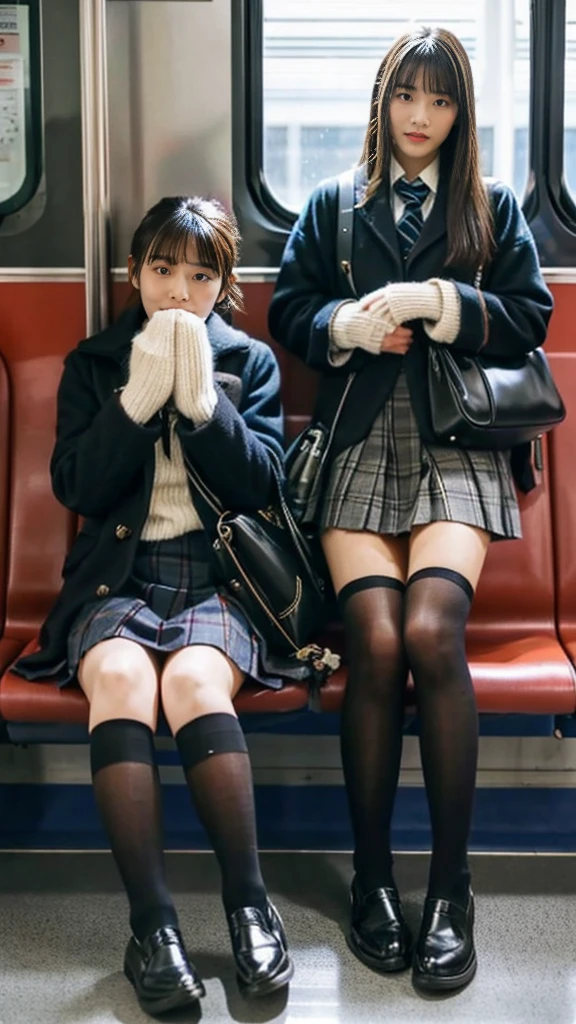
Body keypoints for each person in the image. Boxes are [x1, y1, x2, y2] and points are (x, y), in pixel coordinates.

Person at [269, 25, 553, 993]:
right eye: (406, 98)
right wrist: (341, 324)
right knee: (377, 641)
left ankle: (452, 887)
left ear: (460, 112)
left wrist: (441, 302)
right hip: (356, 446)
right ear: (383, 102)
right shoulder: (333, 207)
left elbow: (531, 315)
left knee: (433, 631)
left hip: (458, 449)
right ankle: (374, 883)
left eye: (439, 101)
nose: (421, 118)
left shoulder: (492, 207)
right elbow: (287, 308)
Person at [14, 196, 294, 1015]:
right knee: (126, 686)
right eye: (162, 270)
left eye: (200, 275)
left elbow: (264, 487)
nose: (178, 291)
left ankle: (249, 905)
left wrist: (204, 402)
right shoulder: (96, 363)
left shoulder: (252, 363)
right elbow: (78, 487)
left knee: (194, 689)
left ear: (223, 286)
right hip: (118, 578)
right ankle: (154, 926)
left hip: (218, 577)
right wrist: (139, 400)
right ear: (133, 274)